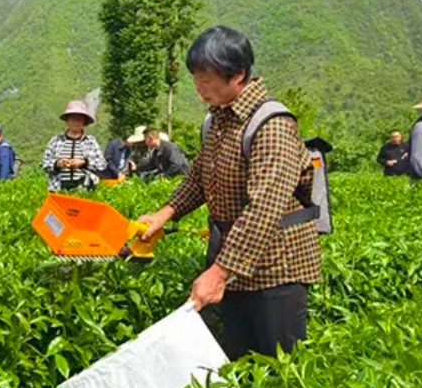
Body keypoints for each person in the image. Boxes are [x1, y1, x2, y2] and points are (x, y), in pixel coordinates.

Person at [137, 26, 321, 360]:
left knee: (280, 366)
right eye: (195, 79)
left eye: (206, 80)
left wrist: (219, 273)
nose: (199, 89)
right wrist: (165, 213)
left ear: (237, 75)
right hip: (233, 260)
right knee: (236, 359)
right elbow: (198, 177)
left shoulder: (272, 124)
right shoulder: (217, 120)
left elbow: (265, 208)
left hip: (276, 269)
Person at [41, 100, 106, 192]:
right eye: (73, 119)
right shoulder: (56, 141)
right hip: (58, 187)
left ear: (84, 122)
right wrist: (58, 164)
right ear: (67, 121)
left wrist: (84, 163)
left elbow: (102, 164)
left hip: (84, 187)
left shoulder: (90, 141)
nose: (76, 122)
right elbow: (44, 164)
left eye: (80, 119)